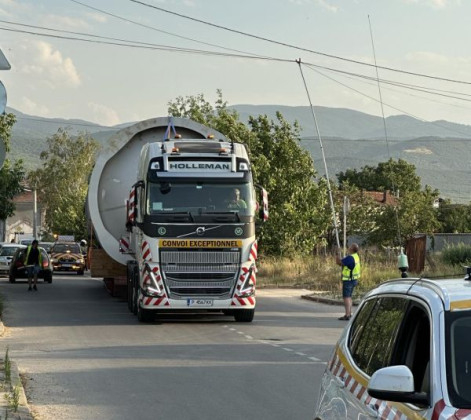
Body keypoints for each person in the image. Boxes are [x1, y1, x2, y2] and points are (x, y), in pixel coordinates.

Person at [335, 243, 361, 320]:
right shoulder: (356, 256)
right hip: (354, 279)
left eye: (350, 247)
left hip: (348, 280)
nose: (348, 248)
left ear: (352, 249)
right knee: (349, 297)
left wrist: (337, 255)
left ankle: (347, 315)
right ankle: (349, 313)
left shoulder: (350, 258)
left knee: (346, 297)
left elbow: (339, 263)